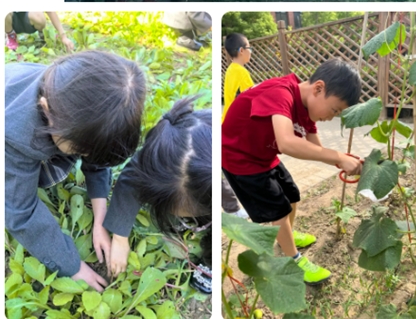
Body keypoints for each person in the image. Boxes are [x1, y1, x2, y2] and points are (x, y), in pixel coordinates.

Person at [5, 51, 146, 292]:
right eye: (82, 150)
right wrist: (71, 266)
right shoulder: (15, 135)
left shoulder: (81, 95)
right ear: (46, 109)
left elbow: (97, 156)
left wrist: (100, 219)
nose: (88, 158)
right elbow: (22, 214)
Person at [222, 58, 364, 285]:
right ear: (318, 88)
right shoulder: (281, 94)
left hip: (263, 156)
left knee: (291, 194)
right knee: (277, 210)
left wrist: (344, 161)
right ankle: (293, 260)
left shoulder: (307, 106)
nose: (330, 117)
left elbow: (317, 149)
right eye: (334, 110)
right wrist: (338, 157)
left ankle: (286, 235)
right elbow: (287, 143)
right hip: (240, 158)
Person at [104, 98, 212, 293]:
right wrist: (120, 238)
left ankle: (209, 259)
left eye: (184, 213)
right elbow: (129, 182)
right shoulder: (158, 156)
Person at [221, 32, 254, 221]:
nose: (251, 52)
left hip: (228, 123)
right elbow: (253, 97)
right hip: (234, 128)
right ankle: (236, 208)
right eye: (249, 48)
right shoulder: (240, 71)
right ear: (241, 51)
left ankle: (234, 206)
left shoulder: (232, 69)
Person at [5, 12, 75, 53]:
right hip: (10, 21)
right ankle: (11, 35)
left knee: (38, 14)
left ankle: (43, 33)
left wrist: (63, 36)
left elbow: (50, 11)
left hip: (29, 19)